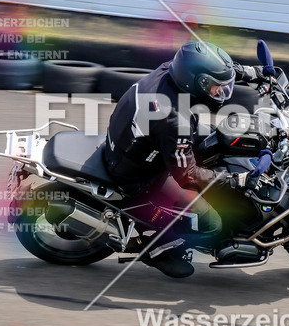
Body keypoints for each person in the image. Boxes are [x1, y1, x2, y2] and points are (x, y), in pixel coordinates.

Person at [102, 40, 271, 278]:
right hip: (138, 174)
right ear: (196, 83)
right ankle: (159, 248)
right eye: (216, 88)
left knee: (219, 142)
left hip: (139, 143)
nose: (222, 93)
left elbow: (216, 68)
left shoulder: (173, 69)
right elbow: (188, 175)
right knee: (210, 221)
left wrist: (253, 74)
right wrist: (237, 180)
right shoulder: (174, 121)